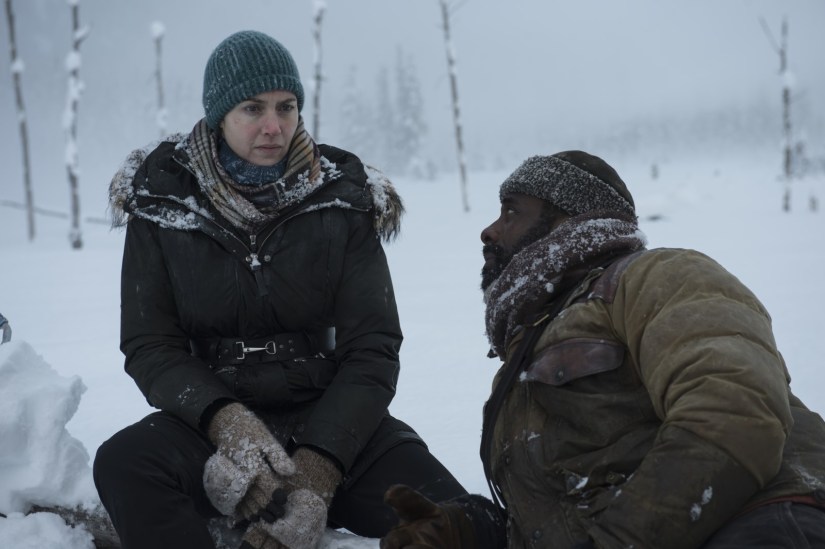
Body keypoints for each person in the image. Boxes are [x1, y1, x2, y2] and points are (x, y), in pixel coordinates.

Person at [95, 30, 466, 549]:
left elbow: (373, 347)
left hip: (331, 419)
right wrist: (228, 426)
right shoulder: (162, 202)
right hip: (210, 424)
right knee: (124, 463)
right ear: (219, 115)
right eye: (253, 108)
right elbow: (150, 344)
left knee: (455, 519)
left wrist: (319, 468)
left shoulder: (342, 198)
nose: (274, 126)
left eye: (286, 107)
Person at [380, 151, 825, 548]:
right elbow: (575, 511)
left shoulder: (655, 276)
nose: (489, 231)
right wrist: (468, 530)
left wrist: (617, 541)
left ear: (567, 220)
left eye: (511, 211)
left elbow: (734, 412)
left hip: (764, 516)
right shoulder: (526, 350)